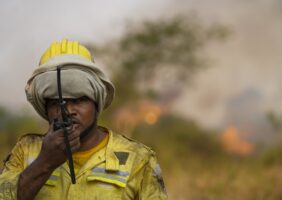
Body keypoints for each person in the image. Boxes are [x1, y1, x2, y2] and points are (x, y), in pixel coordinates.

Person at [0, 39, 167, 200]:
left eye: (79, 100)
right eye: (56, 102)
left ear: (96, 103)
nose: (68, 111)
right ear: (45, 109)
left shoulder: (138, 159)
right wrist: (45, 162)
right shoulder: (26, 150)